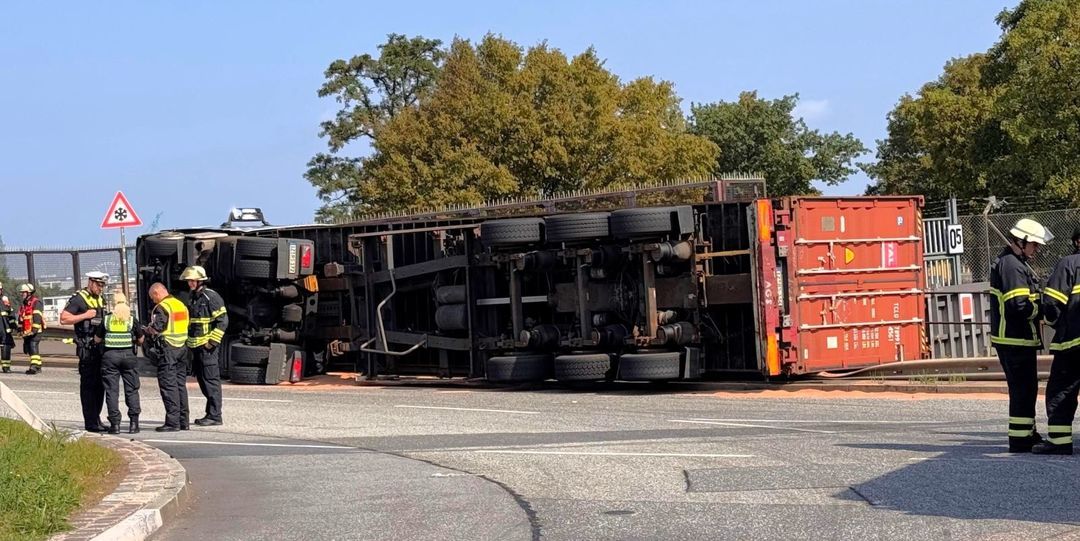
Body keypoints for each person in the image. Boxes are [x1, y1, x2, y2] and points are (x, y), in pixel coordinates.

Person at [990, 218, 1052, 453]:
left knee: (1025, 389)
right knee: (1023, 390)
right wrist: (1042, 310)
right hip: (1015, 339)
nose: (1037, 249)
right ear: (1021, 241)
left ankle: (1026, 434)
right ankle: (1020, 440)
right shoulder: (1013, 266)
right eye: (1034, 245)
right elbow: (1018, 305)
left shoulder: (1011, 262)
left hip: (1015, 339)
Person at [1034, 227, 1080, 455]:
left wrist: (1057, 323)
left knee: (1062, 392)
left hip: (1073, 345)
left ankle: (1060, 441)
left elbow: (1052, 303)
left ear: (1077, 242)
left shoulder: (1069, 264)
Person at [60, 271, 109, 432]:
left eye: (102, 285)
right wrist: (85, 315)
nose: (101, 288)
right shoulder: (79, 298)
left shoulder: (101, 299)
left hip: (100, 348)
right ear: (91, 282)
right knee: (88, 386)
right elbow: (64, 318)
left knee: (100, 386)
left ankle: (97, 418)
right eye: (99, 285)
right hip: (86, 348)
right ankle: (90, 422)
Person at [181, 266, 227, 426]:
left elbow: (223, 321)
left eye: (192, 280)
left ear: (200, 280)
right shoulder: (193, 296)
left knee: (211, 381)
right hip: (196, 347)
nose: (190, 283)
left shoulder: (211, 297)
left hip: (207, 348)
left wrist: (211, 342)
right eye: (188, 281)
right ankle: (210, 413)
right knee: (203, 381)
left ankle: (215, 415)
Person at [93, 291, 143, 434]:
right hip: (129, 356)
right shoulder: (132, 319)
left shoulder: (107, 319)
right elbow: (141, 340)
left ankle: (115, 425)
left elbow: (97, 339)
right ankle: (134, 424)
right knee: (132, 390)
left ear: (113, 304)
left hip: (110, 357)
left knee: (112, 391)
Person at [145, 282, 190, 432]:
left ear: (157, 293)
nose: (153, 301)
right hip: (182, 348)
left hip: (168, 349)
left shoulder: (162, 307)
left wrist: (146, 330)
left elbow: (158, 327)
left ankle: (172, 423)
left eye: (153, 297)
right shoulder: (180, 305)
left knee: (168, 386)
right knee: (180, 386)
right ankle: (184, 421)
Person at [17, 284, 44, 375]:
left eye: (23, 292)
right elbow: (21, 318)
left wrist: (34, 330)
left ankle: (33, 367)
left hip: (35, 331)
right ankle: (38, 366)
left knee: (33, 347)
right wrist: (20, 330)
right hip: (27, 331)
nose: (22, 294)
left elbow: (37, 317)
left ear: (29, 293)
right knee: (28, 348)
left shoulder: (36, 302)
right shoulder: (24, 304)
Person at [0, 281, 14, 373]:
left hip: (4, 329)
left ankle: (6, 367)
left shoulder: (5, 301)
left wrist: (14, 326)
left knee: (6, 346)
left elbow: (11, 314)